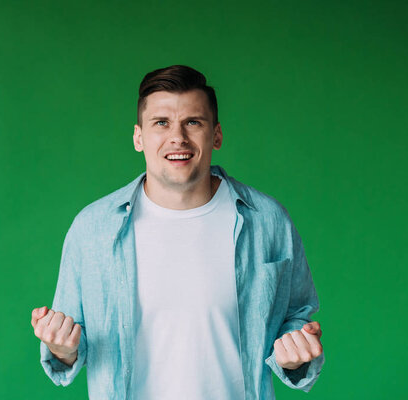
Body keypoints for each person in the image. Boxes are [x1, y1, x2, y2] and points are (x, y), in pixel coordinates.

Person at [31, 65, 324, 399]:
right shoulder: (93, 228)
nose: (178, 137)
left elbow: (297, 316)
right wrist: (60, 348)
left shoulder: (268, 220)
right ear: (138, 137)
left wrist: (294, 353)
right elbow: (69, 343)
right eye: (161, 123)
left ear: (216, 134)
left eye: (193, 122)